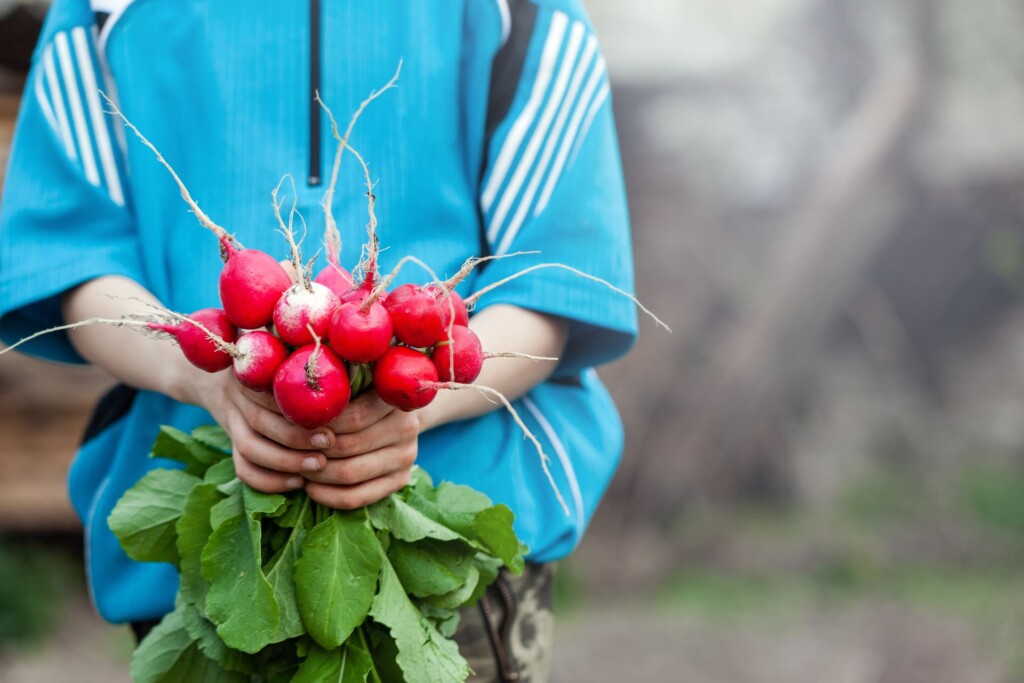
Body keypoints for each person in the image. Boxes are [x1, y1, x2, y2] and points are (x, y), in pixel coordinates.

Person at [0, 0, 636, 679]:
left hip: (464, 530)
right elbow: (71, 260)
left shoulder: (523, 12)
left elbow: (554, 288)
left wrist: (419, 405)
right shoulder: (100, 10)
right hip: (204, 532)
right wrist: (206, 377)